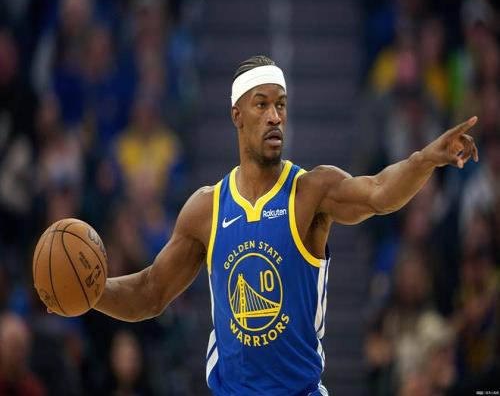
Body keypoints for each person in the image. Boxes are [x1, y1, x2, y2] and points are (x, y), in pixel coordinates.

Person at [92, 55, 478, 395]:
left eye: (281, 105)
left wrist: (425, 160)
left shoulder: (312, 191)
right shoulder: (206, 208)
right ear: (236, 115)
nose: (275, 116)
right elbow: (150, 292)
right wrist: (90, 293)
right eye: (261, 104)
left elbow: (379, 192)